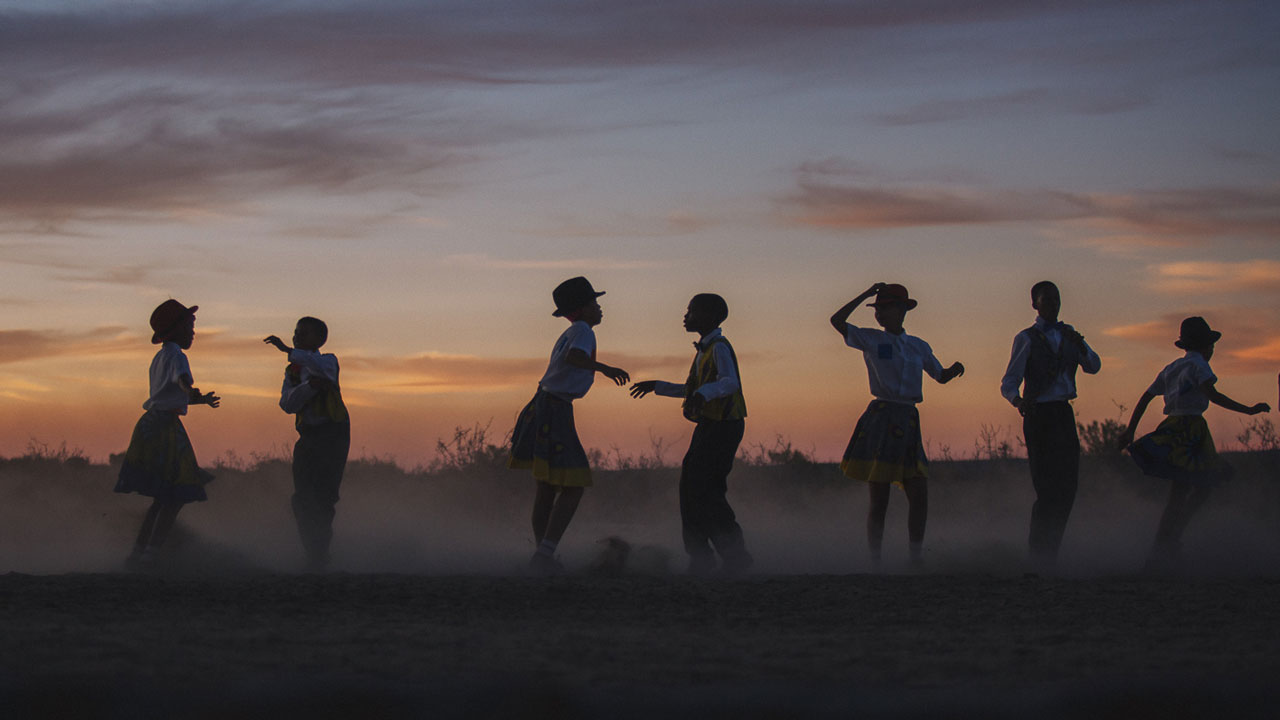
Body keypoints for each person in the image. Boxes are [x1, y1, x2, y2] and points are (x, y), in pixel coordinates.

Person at [1117, 317, 1269, 571]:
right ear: (1206, 346)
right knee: (1192, 488)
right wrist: (1249, 410)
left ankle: (1167, 544)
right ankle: (1164, 547)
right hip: (1191, 431)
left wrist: (1130, 429)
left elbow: (1146, 397)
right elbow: (1213, 395)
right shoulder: (1200, 366)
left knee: (1190, 489)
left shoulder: (1172, 367)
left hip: (1173, 427)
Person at [830, 283, 963, 568]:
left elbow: (939, 375)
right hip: (882, 416)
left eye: (886, 307)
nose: (880, 314)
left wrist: (953, 370)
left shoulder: (919, 346)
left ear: (902, 310)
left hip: (908, 418)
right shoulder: (870, 339)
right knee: (880, 497)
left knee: (918, 492)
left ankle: (915, 557)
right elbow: (837, 321)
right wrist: (865, 295)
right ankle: (875, 560)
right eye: (878, 309)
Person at [509, 277, 629, 574]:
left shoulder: (571, 331)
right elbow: (575, 358)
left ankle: (543, 555)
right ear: (581, 309)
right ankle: (544, 555)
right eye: (594, 303)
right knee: (574, 485)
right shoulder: (583, 332)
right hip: (555, 409)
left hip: (543, 404)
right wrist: (606, 369)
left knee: (547, 487)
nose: (599, 308)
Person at [630, 293, 752, 576]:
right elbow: (693, 389)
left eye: (691, 311)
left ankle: (732, 554)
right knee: (691, 488)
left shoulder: (719, 347)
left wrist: (702, 393)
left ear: (709, 316)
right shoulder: (705, 349)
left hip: (724, 425)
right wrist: (657, 386)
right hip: (711, 425)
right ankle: (702, 555)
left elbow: (729, 383)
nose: (686, 316)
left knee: (706, 490)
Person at [999, 281, 1101, 570]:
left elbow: (1093, 366)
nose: (1054, 304)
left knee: (1068, 486)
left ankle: (1050, 552)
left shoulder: (1070, 336)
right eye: (1048, 299)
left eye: (1057, 299)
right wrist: (1017, 402)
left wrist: (1080, 343)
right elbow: (1010, 380)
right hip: (1039, 415)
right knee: (1046, 488)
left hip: (1062, 415)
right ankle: (1038, 555)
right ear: (1035, 304)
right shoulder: (1026, 338)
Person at [115, 300, 220, 570]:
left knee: (163, 498)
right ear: (177, 330)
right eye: (190, 326)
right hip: (165, 429)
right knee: (174, 496)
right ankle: (150, 555)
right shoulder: (177, 357)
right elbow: (183, 382)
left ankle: (139, 553)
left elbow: (167, 393)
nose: (193, 332)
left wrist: (198, 400)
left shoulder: (160, 357)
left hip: (152, 424)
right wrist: (193, 393)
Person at [265, 317, 350, 572]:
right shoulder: (293, 371)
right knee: (302, 499)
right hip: (308, 436)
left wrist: (290, 353)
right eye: (295, 333)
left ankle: (318, 555)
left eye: (303, 333)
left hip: (333, 435)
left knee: (324, 498)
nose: (296, 337)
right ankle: (314, 554)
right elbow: (287, 404)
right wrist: (310, 387)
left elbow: (318, 370)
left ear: (320, 340)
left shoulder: (329, 361)